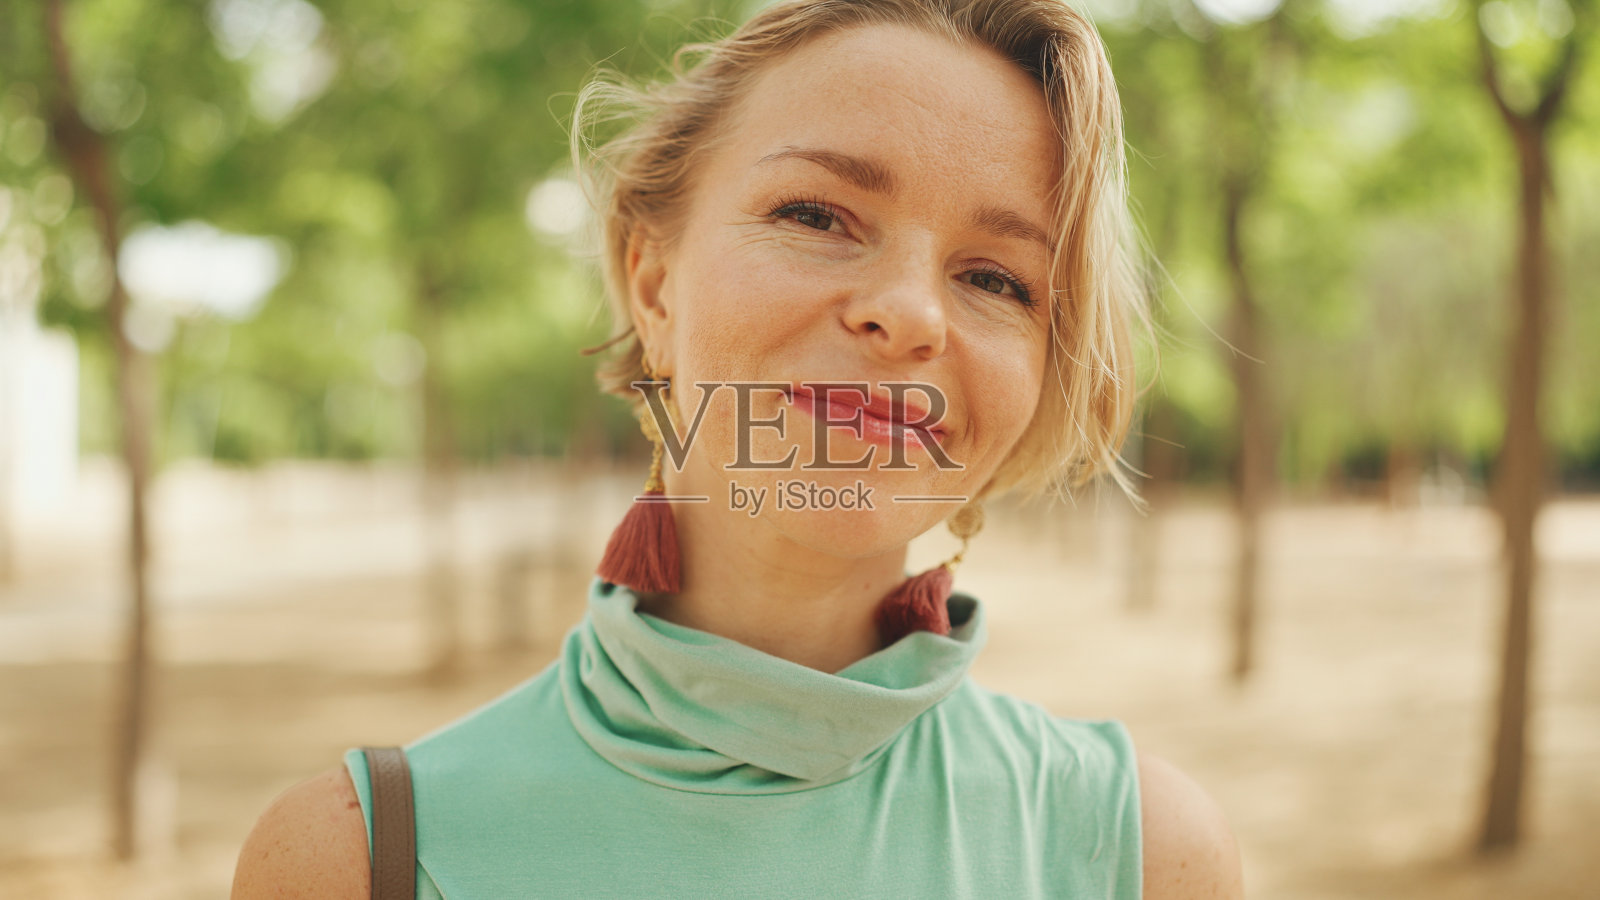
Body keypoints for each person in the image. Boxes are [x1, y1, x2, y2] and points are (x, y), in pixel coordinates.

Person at [232, 0, 1244, 897]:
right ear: (654, 285)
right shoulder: (357, 862)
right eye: (816, 215)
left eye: (997, 280)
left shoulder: (1143, 857)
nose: (908, 311)